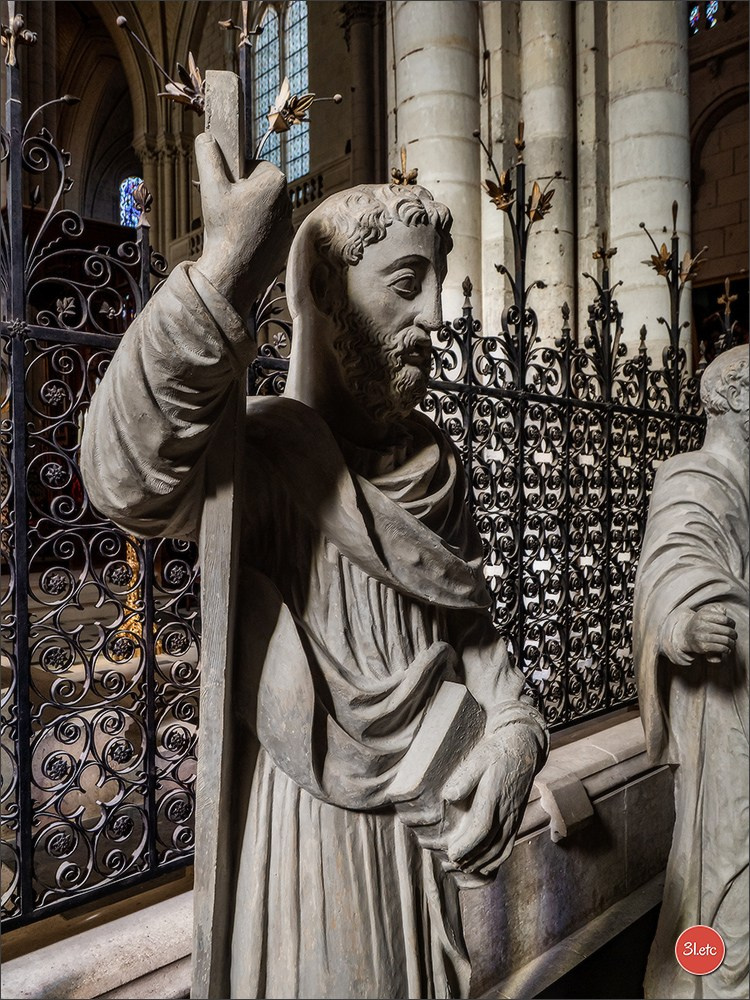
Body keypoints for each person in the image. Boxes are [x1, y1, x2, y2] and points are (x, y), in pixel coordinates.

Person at [81, 134, 548, 1000]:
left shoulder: (438, 470)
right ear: (322, 298)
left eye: (439, 283)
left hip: (424, 840)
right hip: (308, 837)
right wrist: (222, 268)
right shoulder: (259, 455)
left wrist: (518, 735)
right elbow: (121, 474)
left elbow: (478, 643)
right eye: (408, 284)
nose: (436, 317)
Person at [634, 345, 749, 999]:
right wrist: (682, 627)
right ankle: (710, 982)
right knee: (726, 856)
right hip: (721, 710)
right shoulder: (694, 479)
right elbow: (667, 570)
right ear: (732, 397)